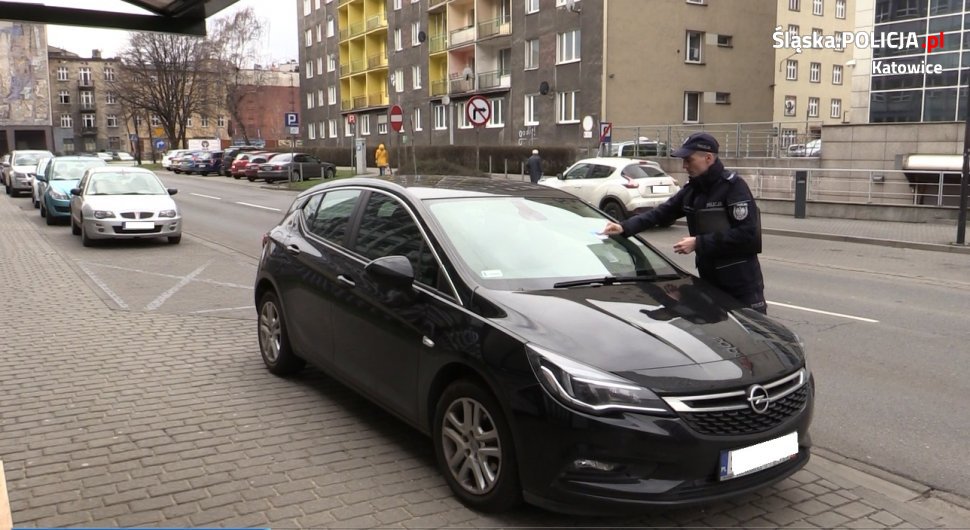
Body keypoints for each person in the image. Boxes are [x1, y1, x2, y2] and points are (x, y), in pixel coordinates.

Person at [600, 132, 767, 314]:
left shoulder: (733, 187)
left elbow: (747, 233)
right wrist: (625, 227)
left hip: (741, 284)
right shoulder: (693, 189)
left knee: (752, 337)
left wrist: (698, 242)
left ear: (708, 158)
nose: (684, 165)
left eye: (689, 160)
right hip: (710, 282)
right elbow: (661, 213)